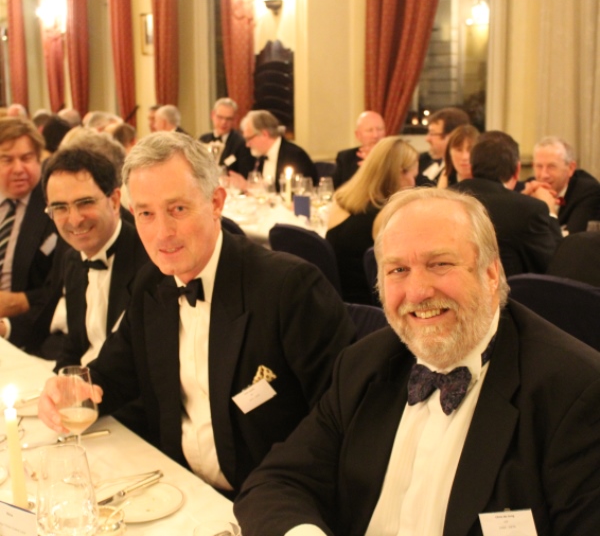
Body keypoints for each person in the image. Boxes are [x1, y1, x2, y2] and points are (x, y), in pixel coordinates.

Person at [235, 186, 600, 536]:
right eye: (398, 270)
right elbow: (277, 482)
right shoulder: (363, 364)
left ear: (490, 274)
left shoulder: (575, 392)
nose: (418, 291)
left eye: (439, 264)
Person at [38, 132, 355, 495]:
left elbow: (340, 419)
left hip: (273, 499)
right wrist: (72, 391)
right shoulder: (152, 286)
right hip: (180, 490)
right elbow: (113, 375)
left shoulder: (288, 288)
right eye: (145, 214)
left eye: (178, 209)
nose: (162, 233)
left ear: (216, 201)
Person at [5, 148, 149, 367]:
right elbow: (74, 346)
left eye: (85, 203)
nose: (74, 219)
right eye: (60, 207)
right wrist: (61, 382)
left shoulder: (149, 260)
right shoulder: (72, 259)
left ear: (114, 200)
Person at [454, 131, 562, 276]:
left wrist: (521, 199)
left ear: (472, 167)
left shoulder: (445, 198)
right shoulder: (528, 210)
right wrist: (550, 211)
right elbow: (556, 265)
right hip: (508, 297)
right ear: (517, 170)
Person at [326, 136, 418, 304]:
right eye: (413, 175)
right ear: (400, 172)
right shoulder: (386, 216)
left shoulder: (342, 200)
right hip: (373, 311)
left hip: (341, 304)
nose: (413, 182)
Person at [0, 118, 61, 321]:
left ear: (38, 159)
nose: (18, 169)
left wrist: (21, 301)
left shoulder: (56, 206)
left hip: (25, 326)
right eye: (7, 160)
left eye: (26, 158)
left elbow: (60, 286)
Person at [522, 136, 600, 234]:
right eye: (539, 166)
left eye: (551, 166)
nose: (543, 175)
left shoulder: (588, 191)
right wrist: (521, 202)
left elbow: (570, 243)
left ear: (571, 168)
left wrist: (549, 209)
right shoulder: (529, 187)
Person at [237, 110, 318, 192]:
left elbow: (303, 192)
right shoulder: (257, 156)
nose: (247, 145)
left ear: (264, 134)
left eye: (249, 139)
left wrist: (250, 187)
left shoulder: (295, 156)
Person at [198, 98, 254, 178]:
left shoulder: (241, 143)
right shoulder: (203, 139)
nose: (223, 122)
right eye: (220, 117)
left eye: (229, 119)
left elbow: (244, 175)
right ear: (212, 115)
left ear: (235, 119)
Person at [332, 111, 386, 189]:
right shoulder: (346, 157)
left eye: (380, 129)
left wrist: (372, 166)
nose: (375, 135)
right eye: (369, 130)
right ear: (358, 135)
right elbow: (334, 188)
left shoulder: (394, 156)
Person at [418, 107, 470, 186]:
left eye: (432, 133)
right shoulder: (421, 160)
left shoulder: (462, 172)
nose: (427, 139)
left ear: (451, 136)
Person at [437, 124, 479, 188]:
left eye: (470, 150)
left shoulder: (488, 180)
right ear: (449, 153)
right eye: (459, 150)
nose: (465, 157)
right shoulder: (447, 177)